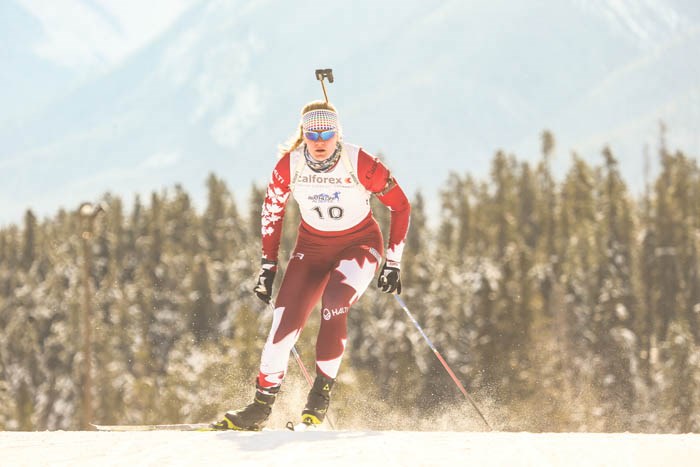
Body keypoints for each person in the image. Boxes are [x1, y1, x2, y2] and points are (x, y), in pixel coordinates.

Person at [212, 100, 411, 430]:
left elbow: (401, 206)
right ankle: (260, 408)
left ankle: (317, 402)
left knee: (334, 303)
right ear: (303, 134)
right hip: (312, 250)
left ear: (338, 134)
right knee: (282, 324)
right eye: (312, 134)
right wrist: (267, 267)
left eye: (327, 133)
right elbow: (272, 215)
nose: (320, 142)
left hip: (360, 245)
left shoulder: (359, 162)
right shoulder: (289, 166)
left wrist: (393, 263)